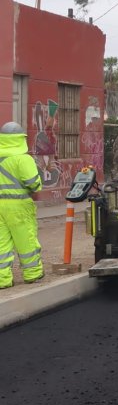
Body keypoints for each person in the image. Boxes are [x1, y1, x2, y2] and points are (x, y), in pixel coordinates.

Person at [0, 122, 45, 289]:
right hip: (19, 205)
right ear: (21, 139)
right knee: (26, 239)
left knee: (2, 244)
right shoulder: (23, 159)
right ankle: (32, 273)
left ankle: (3, 279)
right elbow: (34, 184)